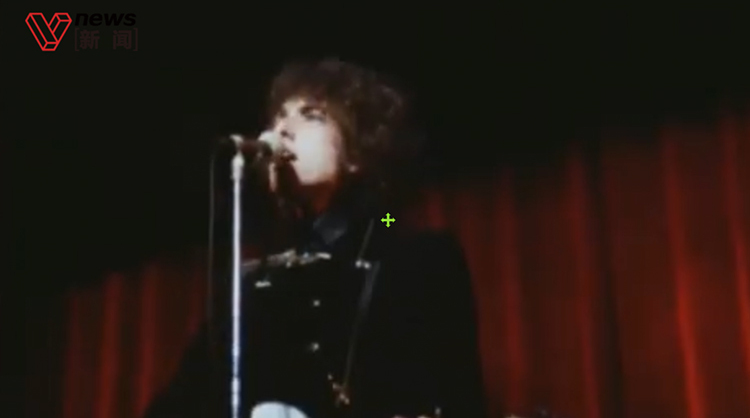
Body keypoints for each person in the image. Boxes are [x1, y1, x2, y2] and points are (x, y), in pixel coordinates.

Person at [143, 58, 487, 418]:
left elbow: (451, 396)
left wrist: (383, 221)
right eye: (279, 117)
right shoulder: (253, 286)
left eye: (312, 116)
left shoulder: (414, 254)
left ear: (356, 153)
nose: (282, 129)